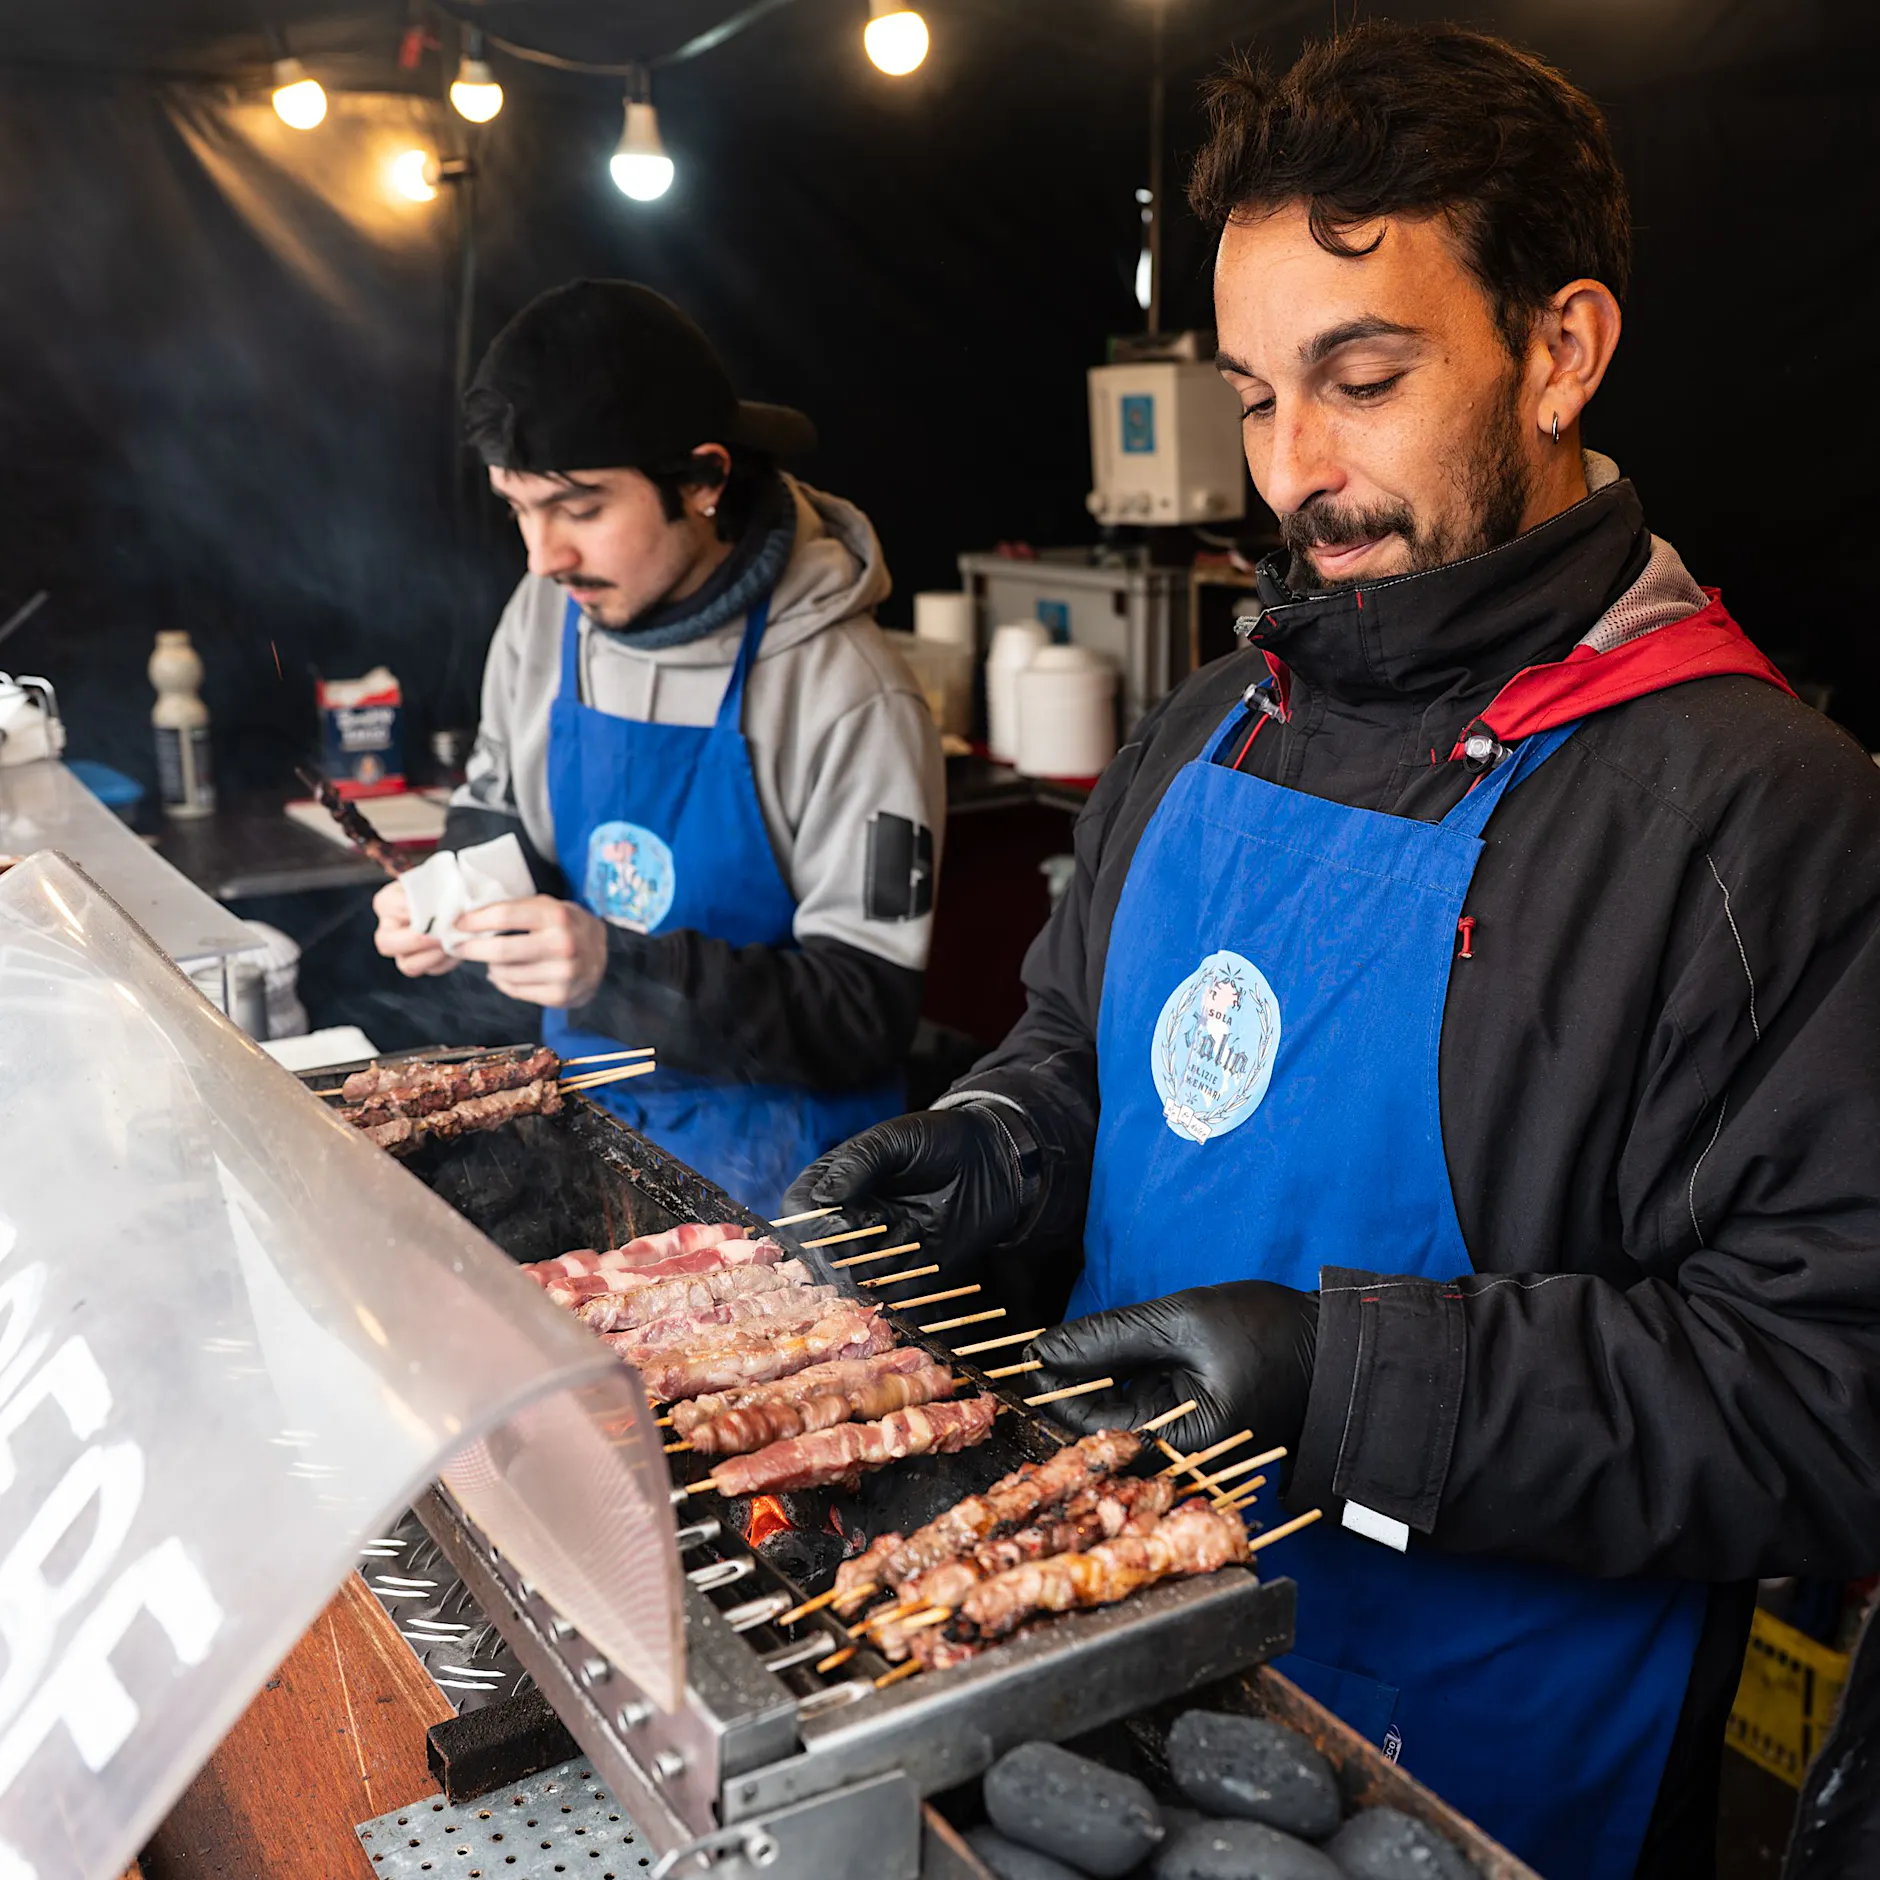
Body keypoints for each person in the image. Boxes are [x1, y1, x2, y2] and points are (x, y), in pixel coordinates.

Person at [784, 23, 1880, 1880]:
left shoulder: (1758, 815)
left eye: (1361, 381)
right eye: (1254, 395)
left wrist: (1327, 1374)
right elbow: (1086, 1050)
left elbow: (1821, 1398)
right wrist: (997, 1145)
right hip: (1101, 1663)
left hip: (1471, 1770)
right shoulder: (1214, 718)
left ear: (1560, 351)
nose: (1295, 471)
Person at [374, 281, 943, 1214]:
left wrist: (616, 970)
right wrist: (452, 898)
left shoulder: (850, 693)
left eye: (579, 508)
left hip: (784, 1186)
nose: (541, 556)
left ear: (705, 479)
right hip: (585, 1137)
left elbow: (864, 1012)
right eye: (518, 508)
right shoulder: (544, 618)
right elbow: (500, 812)